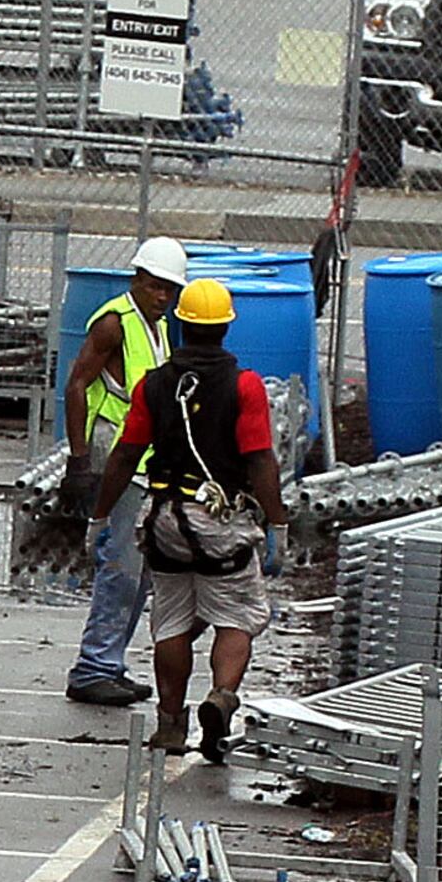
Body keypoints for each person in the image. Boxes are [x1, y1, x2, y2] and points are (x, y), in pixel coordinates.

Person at [89, 273, 290, 767]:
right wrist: (277, 523)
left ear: (182, 323)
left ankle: (170, 725)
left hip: (166, 521)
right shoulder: (244, 387)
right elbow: (261, 459)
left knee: (173, 621)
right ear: (225, 327)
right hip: (220, 521)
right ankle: (222, 696)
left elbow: (125, 454)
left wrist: (99, 515)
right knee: (236, 615)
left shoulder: (154, 385)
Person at [57, 236, 183, 711]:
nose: (162, 296)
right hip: (118, 460)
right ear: (138, 279)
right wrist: (78, 459)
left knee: (141, 573)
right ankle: (93, 667)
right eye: (155, 287)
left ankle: (108, 664)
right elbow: (76, 385)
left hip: (147, 463)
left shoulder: (159, 327)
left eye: (169, 289)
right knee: (122, 569)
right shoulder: (114, 323)